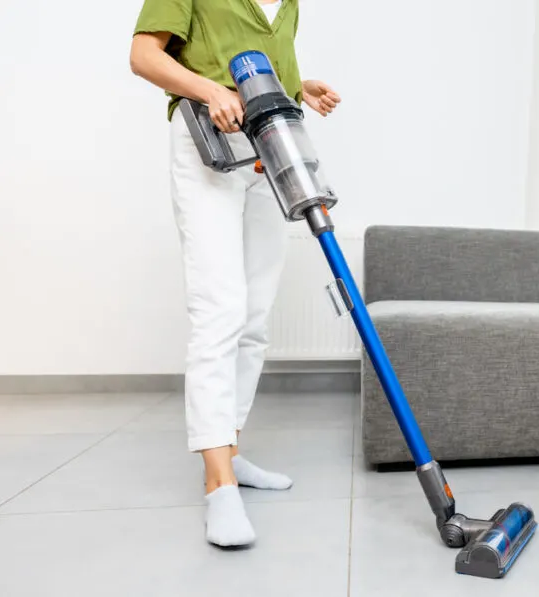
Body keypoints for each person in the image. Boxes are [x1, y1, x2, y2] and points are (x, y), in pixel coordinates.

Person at [129, 0, 340, 548]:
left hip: (271, 145)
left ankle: (232, 450)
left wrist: (301, 88)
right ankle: (218, 486)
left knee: (253, 317)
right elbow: (144, 55)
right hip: (207, 142)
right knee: (219, 310)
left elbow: (253, 64)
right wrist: (208, 90)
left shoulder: (289, 3)